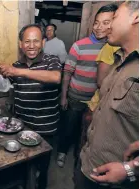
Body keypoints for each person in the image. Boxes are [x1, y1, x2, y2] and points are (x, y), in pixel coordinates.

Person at [75, 1, 139, 189]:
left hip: (117, 181)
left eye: (115, 17)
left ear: (136, 17)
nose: (108, 25)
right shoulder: (120, 60)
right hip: (88, 165)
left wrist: (131, 169)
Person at [0, 23, 62, 189]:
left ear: (43, 43)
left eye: (36, 41)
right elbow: (2, 88)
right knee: (23, 166)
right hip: (22, 126)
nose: (31, 46)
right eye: (27, 41)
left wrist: (19, 72)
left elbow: (55, 78)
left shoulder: (52, 61)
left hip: (45, 129)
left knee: (42, 169)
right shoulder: (17, 65)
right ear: (20, 44)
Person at [56, 3, 118, 168]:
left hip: (97, 102)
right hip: (75, 97)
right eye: (96, 22)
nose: (99, 27)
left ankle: (80, 161)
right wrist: (63, 97)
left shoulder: (114, 48)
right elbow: (67, 73)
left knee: (87, 133)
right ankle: (61, 152)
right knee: (69, 128)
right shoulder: (79, 46)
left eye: (105, 23)